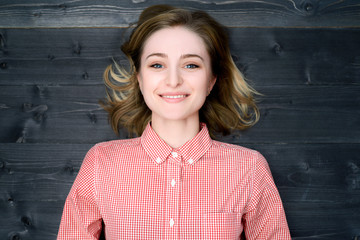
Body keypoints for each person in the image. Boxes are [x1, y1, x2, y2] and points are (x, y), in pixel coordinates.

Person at [57, 4, 291, 240]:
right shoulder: (101, 162)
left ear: (211, 80)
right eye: (157, 65)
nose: (173, 80)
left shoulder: (249, 168)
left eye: (191, 65)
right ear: (139, 77)